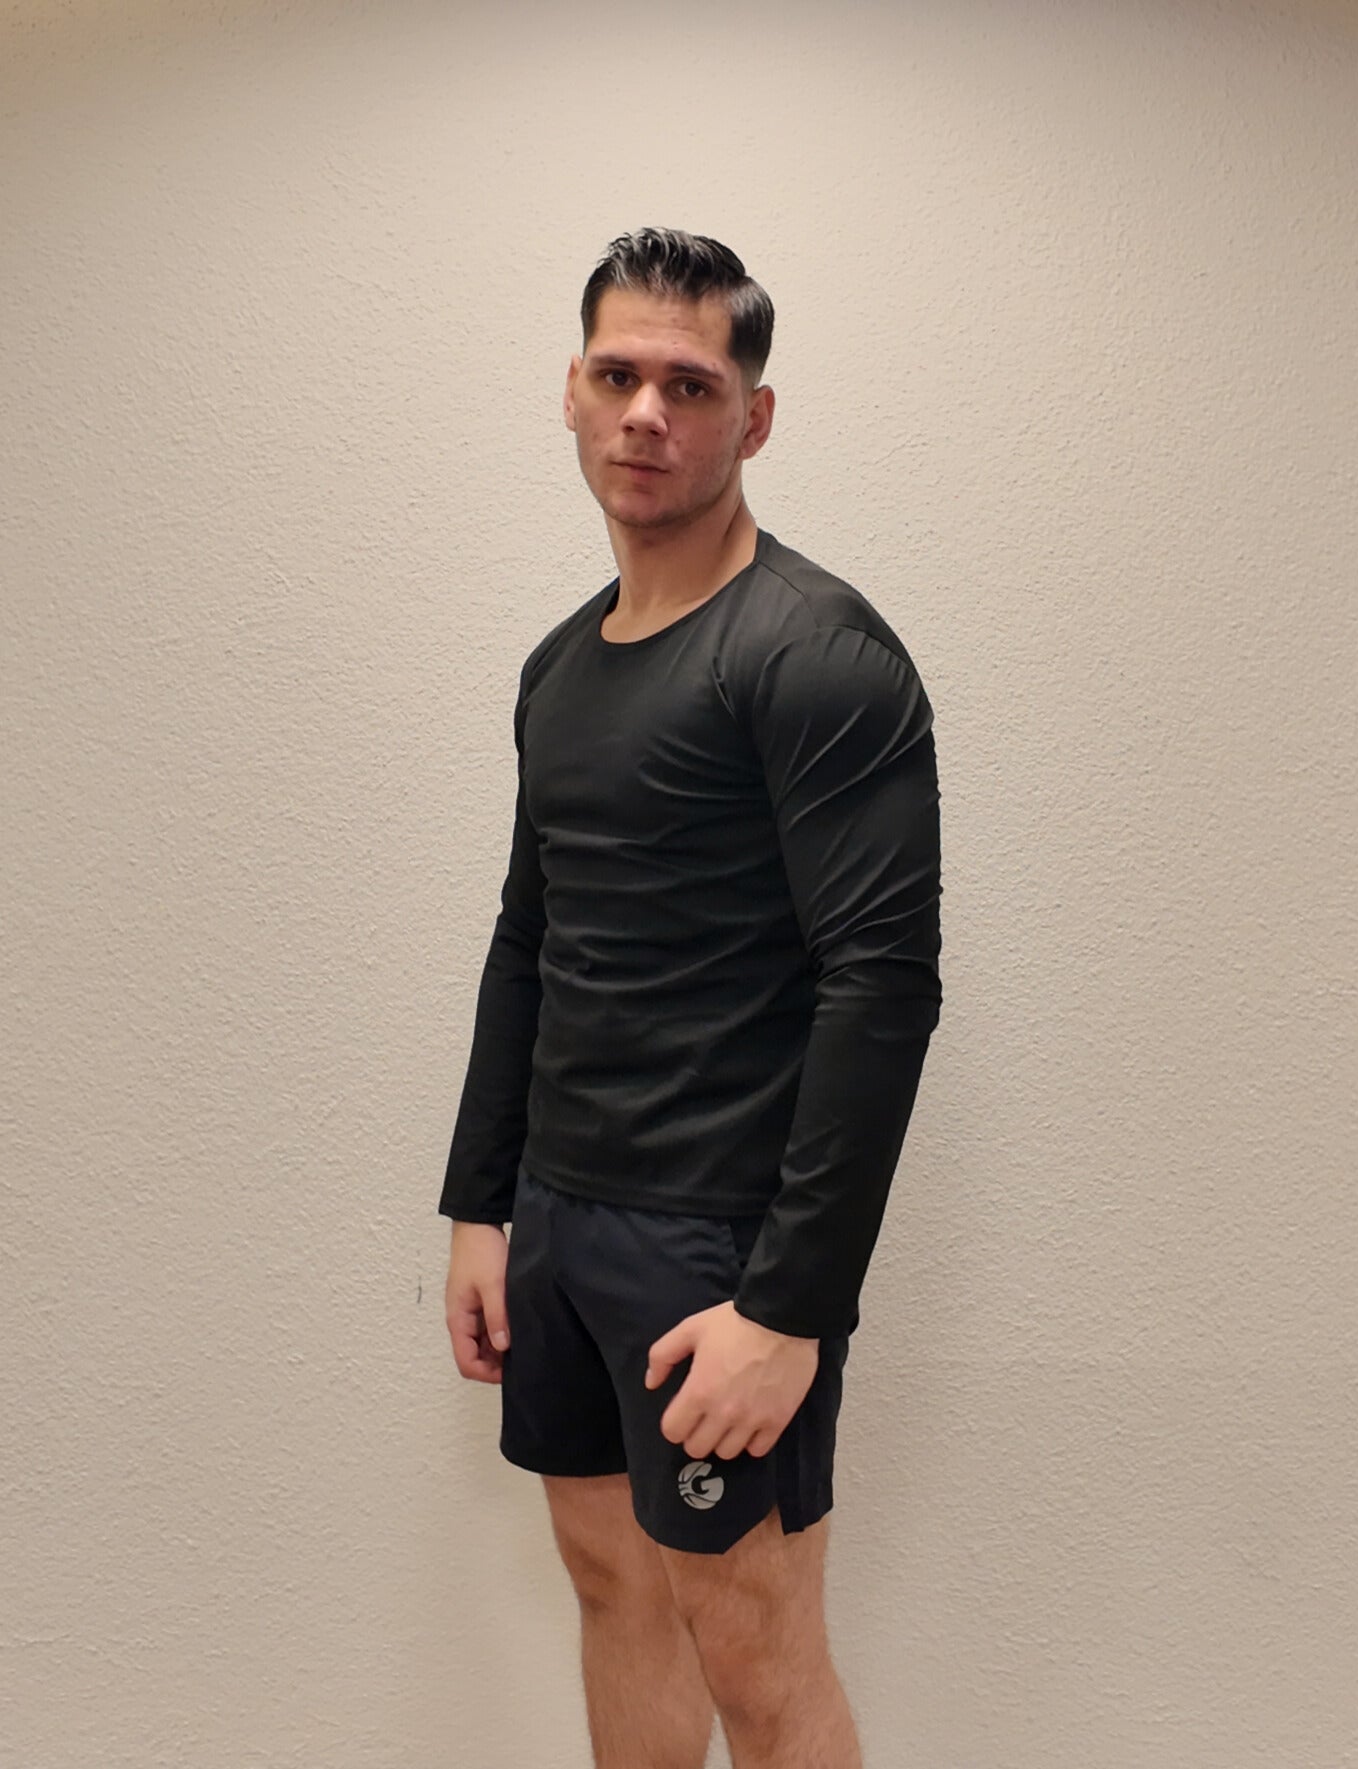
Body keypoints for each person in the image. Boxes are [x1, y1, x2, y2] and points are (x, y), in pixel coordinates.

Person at [440, 227, 941, 1769]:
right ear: (572, 392)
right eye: (618, 375)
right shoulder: (558, 668)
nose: (647, 412)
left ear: (753, 417)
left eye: (690, 384)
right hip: (562, 1222)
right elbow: (531, 937)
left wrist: (791, 1307)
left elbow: (882, 986)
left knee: (755, 1648)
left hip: (719, 1249)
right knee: (615, 1592)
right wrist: (481, 1206)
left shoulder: (816, 654)